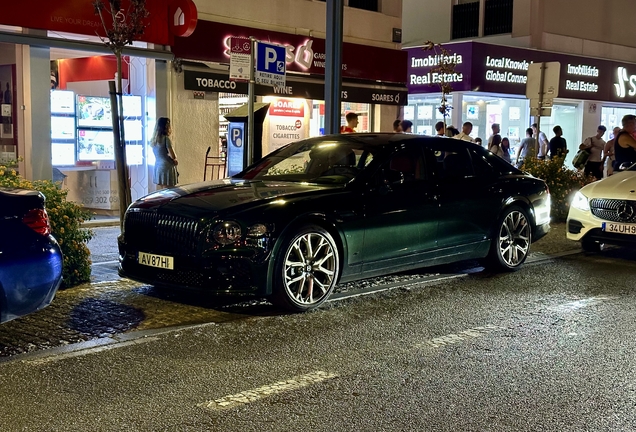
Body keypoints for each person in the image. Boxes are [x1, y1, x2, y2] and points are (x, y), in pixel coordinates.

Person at [150, 117, 178, 189]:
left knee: (163, 192)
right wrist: (174, 160)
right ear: (166, 127)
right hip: (167, 167)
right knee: (169, 193)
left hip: (158, 166)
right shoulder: (166, 139)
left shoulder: (154, 140)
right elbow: (173, 156)